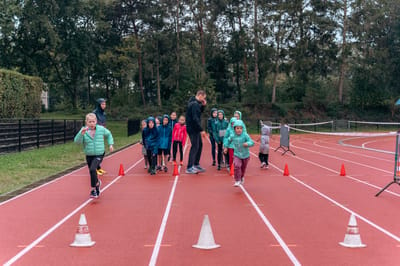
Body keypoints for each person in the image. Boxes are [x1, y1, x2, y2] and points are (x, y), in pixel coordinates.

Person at [74, 113, 114, 198]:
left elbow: (109, 134)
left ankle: (94, 189)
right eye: (90, 122)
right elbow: (77, 142)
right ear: (86, 122)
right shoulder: (83, 130)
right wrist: (81, 134)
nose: (92, 123)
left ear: (96, 121)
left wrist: (110, 144)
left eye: (93, 121)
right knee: (92, 172)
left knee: (93, 169)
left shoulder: (101, 129)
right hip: (89, 154)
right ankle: (97, 185)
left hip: (99, 153)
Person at [224, 119, 254, 187]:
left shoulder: (245, 135)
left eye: (240, 128)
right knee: (237, 166)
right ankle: (237, 180)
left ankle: (242, 177)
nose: (239, 130)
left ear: (242, 129)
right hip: (237, 154)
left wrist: (247, 143)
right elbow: (227, 141)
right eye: (237, 128)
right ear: (234, 128)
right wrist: (225, 147)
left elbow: (252, 142)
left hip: (245, 155)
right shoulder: (232, 135)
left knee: (243, 169)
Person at [185, 90, 207, 174]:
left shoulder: (195, 102)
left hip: (195, 128)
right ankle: (189, 167)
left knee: (200, 145)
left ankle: (196, 164)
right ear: (200, 95)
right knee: (195, 146)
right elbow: (195, 118)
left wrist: (203, 106)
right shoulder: (194, 104)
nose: (203, 100)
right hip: (192, 128)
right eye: (203, 98)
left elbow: (199, 112)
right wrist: (201, 130)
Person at [93, 98, 107, 176]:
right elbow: (93, 123)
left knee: (102, 151)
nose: (104, 106)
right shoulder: (94, 113)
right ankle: (96, 168)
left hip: (101, 133)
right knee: (97, 151)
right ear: (99, 105)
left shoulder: (104, 114)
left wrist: (104, 131)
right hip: (95, 133)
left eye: (105, 104)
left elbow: (104, 123)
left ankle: (98, 167)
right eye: (102, 104)